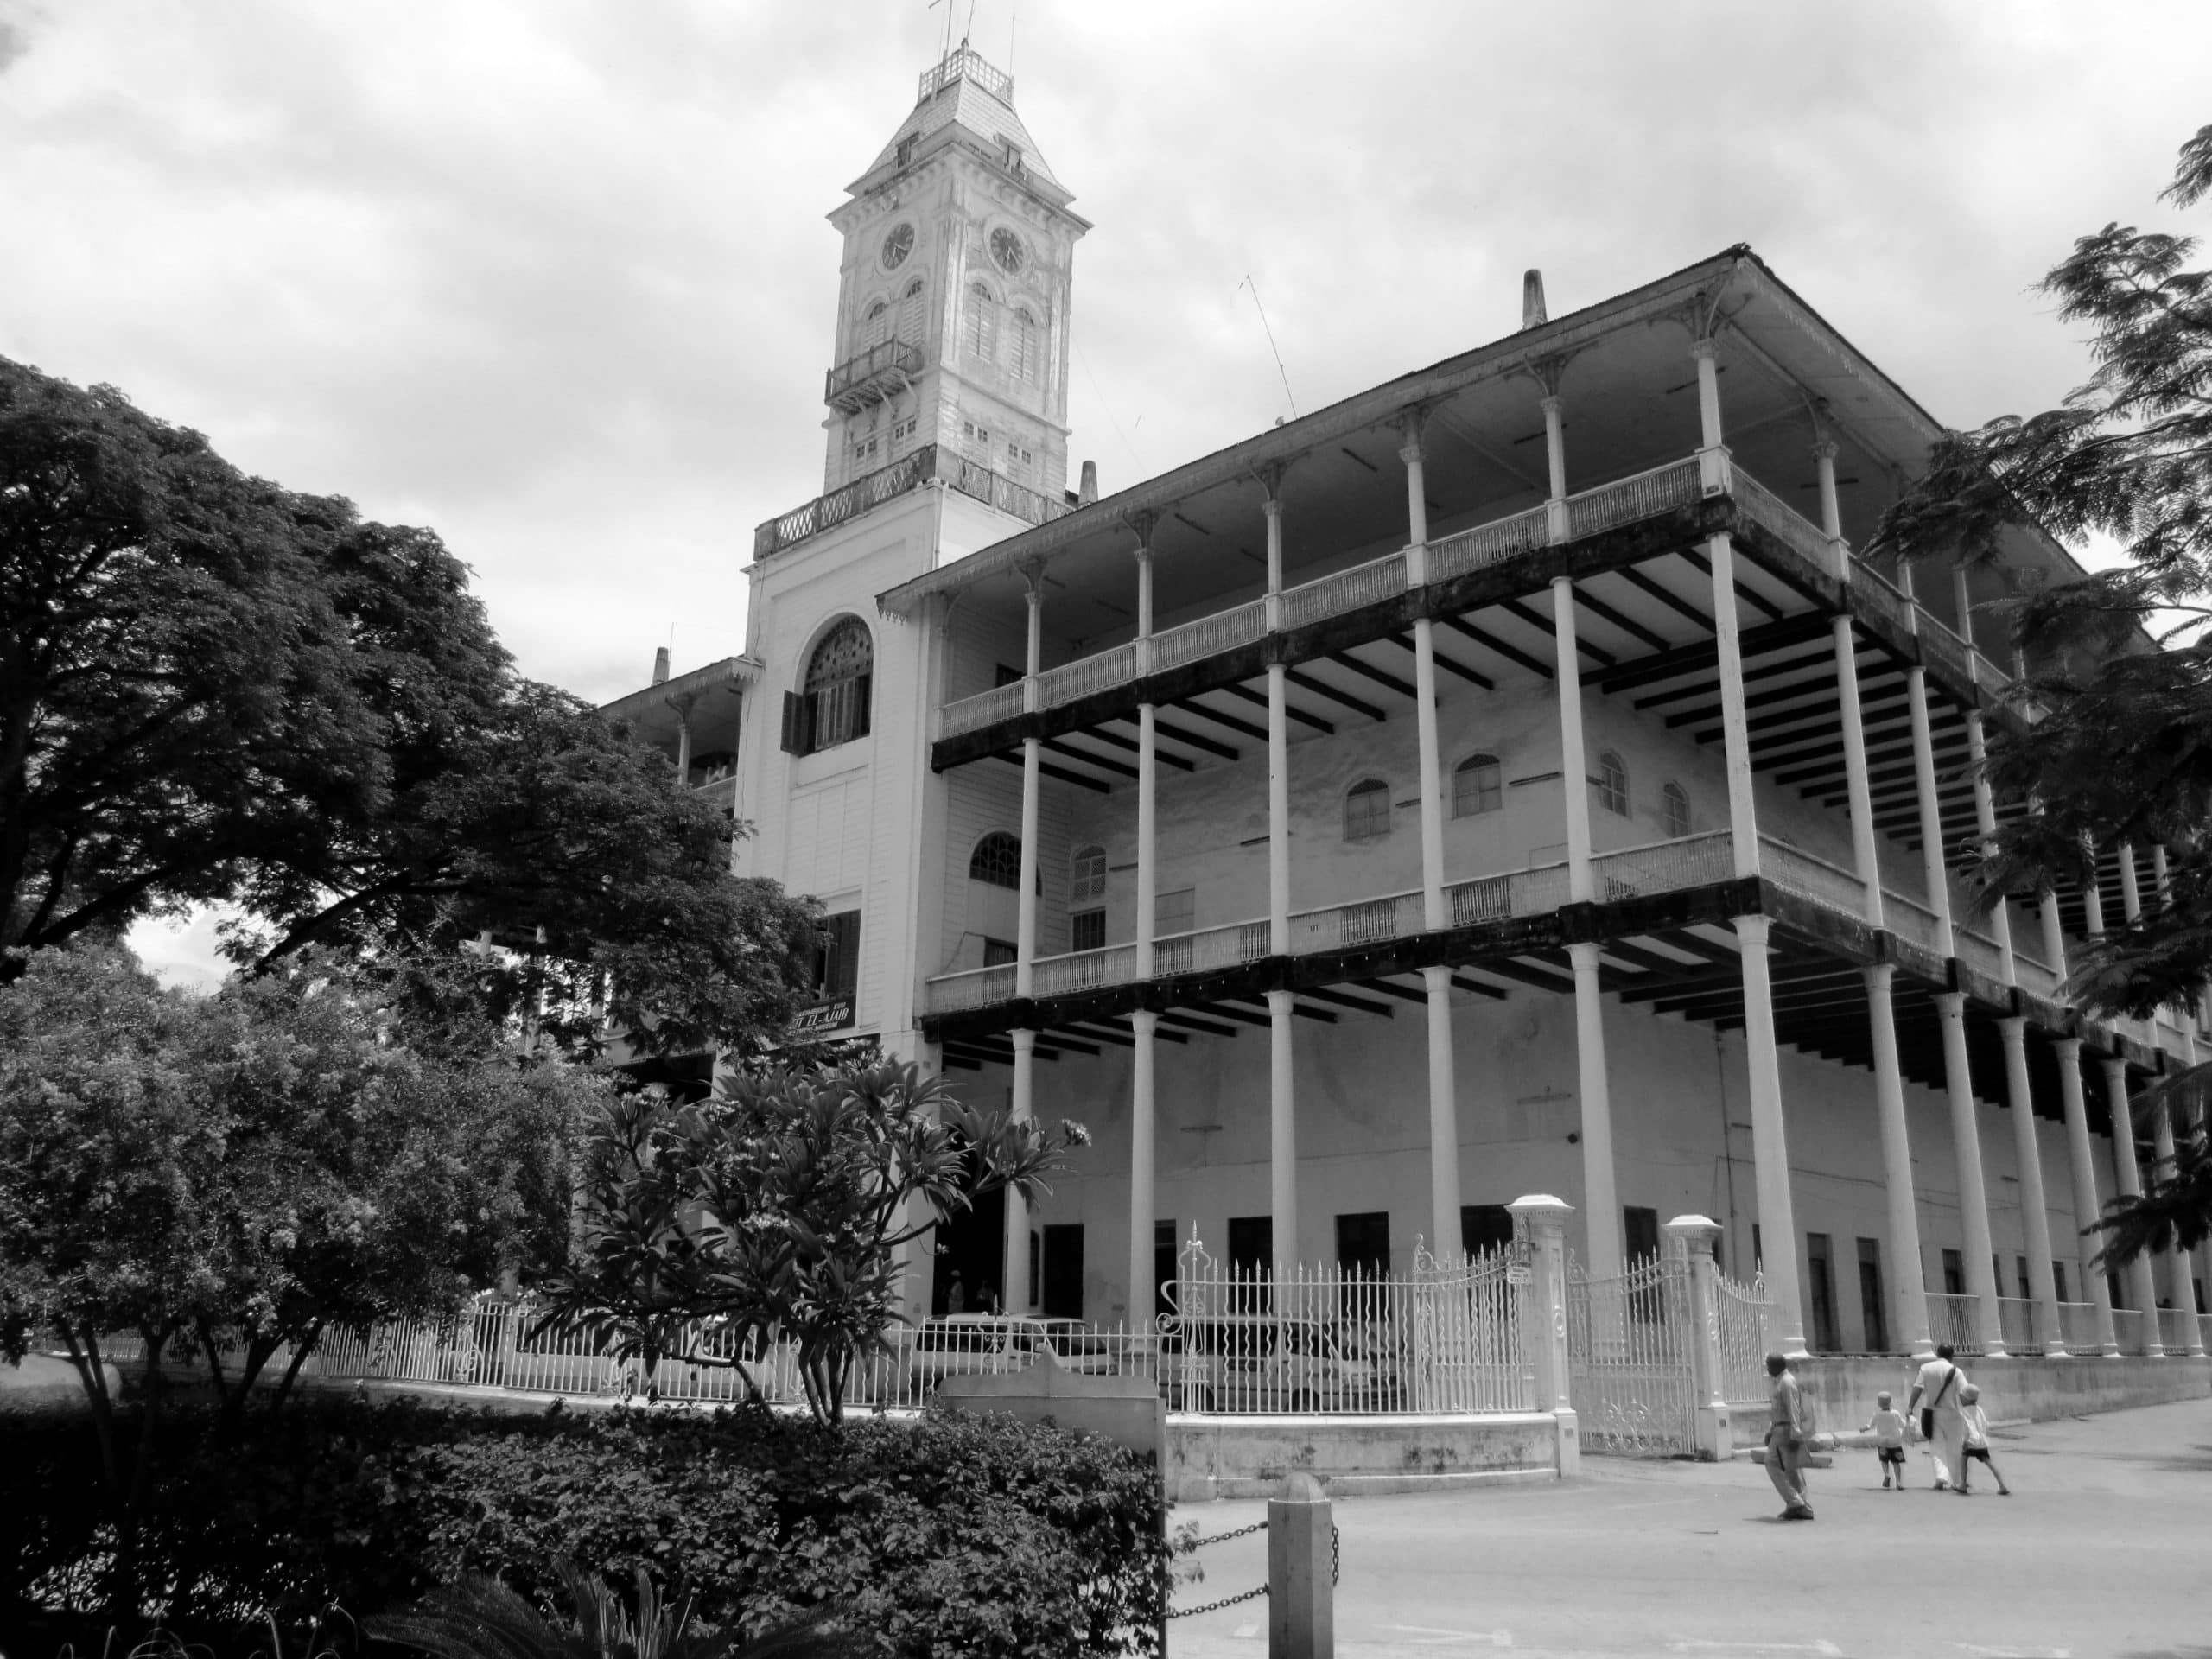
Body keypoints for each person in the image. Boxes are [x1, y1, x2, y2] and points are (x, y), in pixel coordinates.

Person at [1906, 1342, 1967, 1491]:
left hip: (1932, 1412)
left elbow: (1917, 1388)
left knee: (1936, 1445)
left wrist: (1910, 1407)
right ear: (1952, 1356)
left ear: (1937, 1354)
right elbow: (1964, 1393)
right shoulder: (1956, 1371)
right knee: (1955, 1446)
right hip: (1953, 1413)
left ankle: (1941, 1476)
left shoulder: (1926, 1368)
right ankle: (1956, 1480)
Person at [1764, 1351, 1814, 1520]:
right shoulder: (1778, 1382)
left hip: (1787, 1430)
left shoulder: (1787, 1382)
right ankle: (1801, 1506)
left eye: (1769, 1365)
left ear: (1777, 1366)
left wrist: (1796, 1434)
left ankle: (1795, 1501)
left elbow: (1793, 1409)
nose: (1768, 1369)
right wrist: (1770, 1431)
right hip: (1779, 1428)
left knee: (1771, 1463)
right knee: (1791, 1470)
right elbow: (1777, 1410)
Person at [1955, 1384, 2012, 1496]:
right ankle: (2002, 1485)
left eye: (1962, 1397)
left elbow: (1968, 1427)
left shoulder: (1964, 1411)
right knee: (1989, 1463)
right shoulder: (1979, 1409)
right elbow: (1984, 1424)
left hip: (1971, 1442)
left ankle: (1962, 1484)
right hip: (1981, 1442)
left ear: (1965, 1398)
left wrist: (1966, 1441)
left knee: (1963, 1461)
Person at [1865, 1390, 1908, 1491]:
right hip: (1895, 1442)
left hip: (1882, 1442)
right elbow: (1903, 1424)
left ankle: (1887, 1474)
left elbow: (1870, 1425)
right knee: (1896, 1463)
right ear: (1891, 1402)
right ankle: (1898, 1482)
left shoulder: (1877, 1414)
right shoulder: (1895, 1413)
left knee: (1884, 1461)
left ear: (1879, 1403)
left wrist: (1863, 1429)